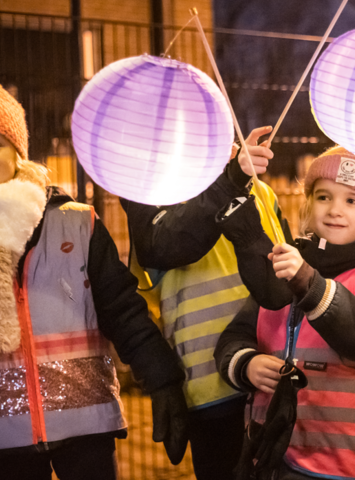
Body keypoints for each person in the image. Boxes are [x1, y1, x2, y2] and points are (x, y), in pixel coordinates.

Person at [0, 72, 187, 479]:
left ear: (18, 153)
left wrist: (162, 379)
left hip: (86, 427)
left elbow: (122, 309)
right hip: (3, 436)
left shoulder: (76, 224)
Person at [214, 146, 355, 480]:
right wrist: (245, 364)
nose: (335, 209)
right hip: (274, 460)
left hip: (352, 466)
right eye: (323, 197)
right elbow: (236, 335)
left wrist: (309, 284)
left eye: (352, 201)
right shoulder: (288, 266)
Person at [120, 126, 282, 480]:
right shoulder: (155, 195)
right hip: (209, 390)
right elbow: (164, 244)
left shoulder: (261, 191)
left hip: (270, 375)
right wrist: (230, 182)